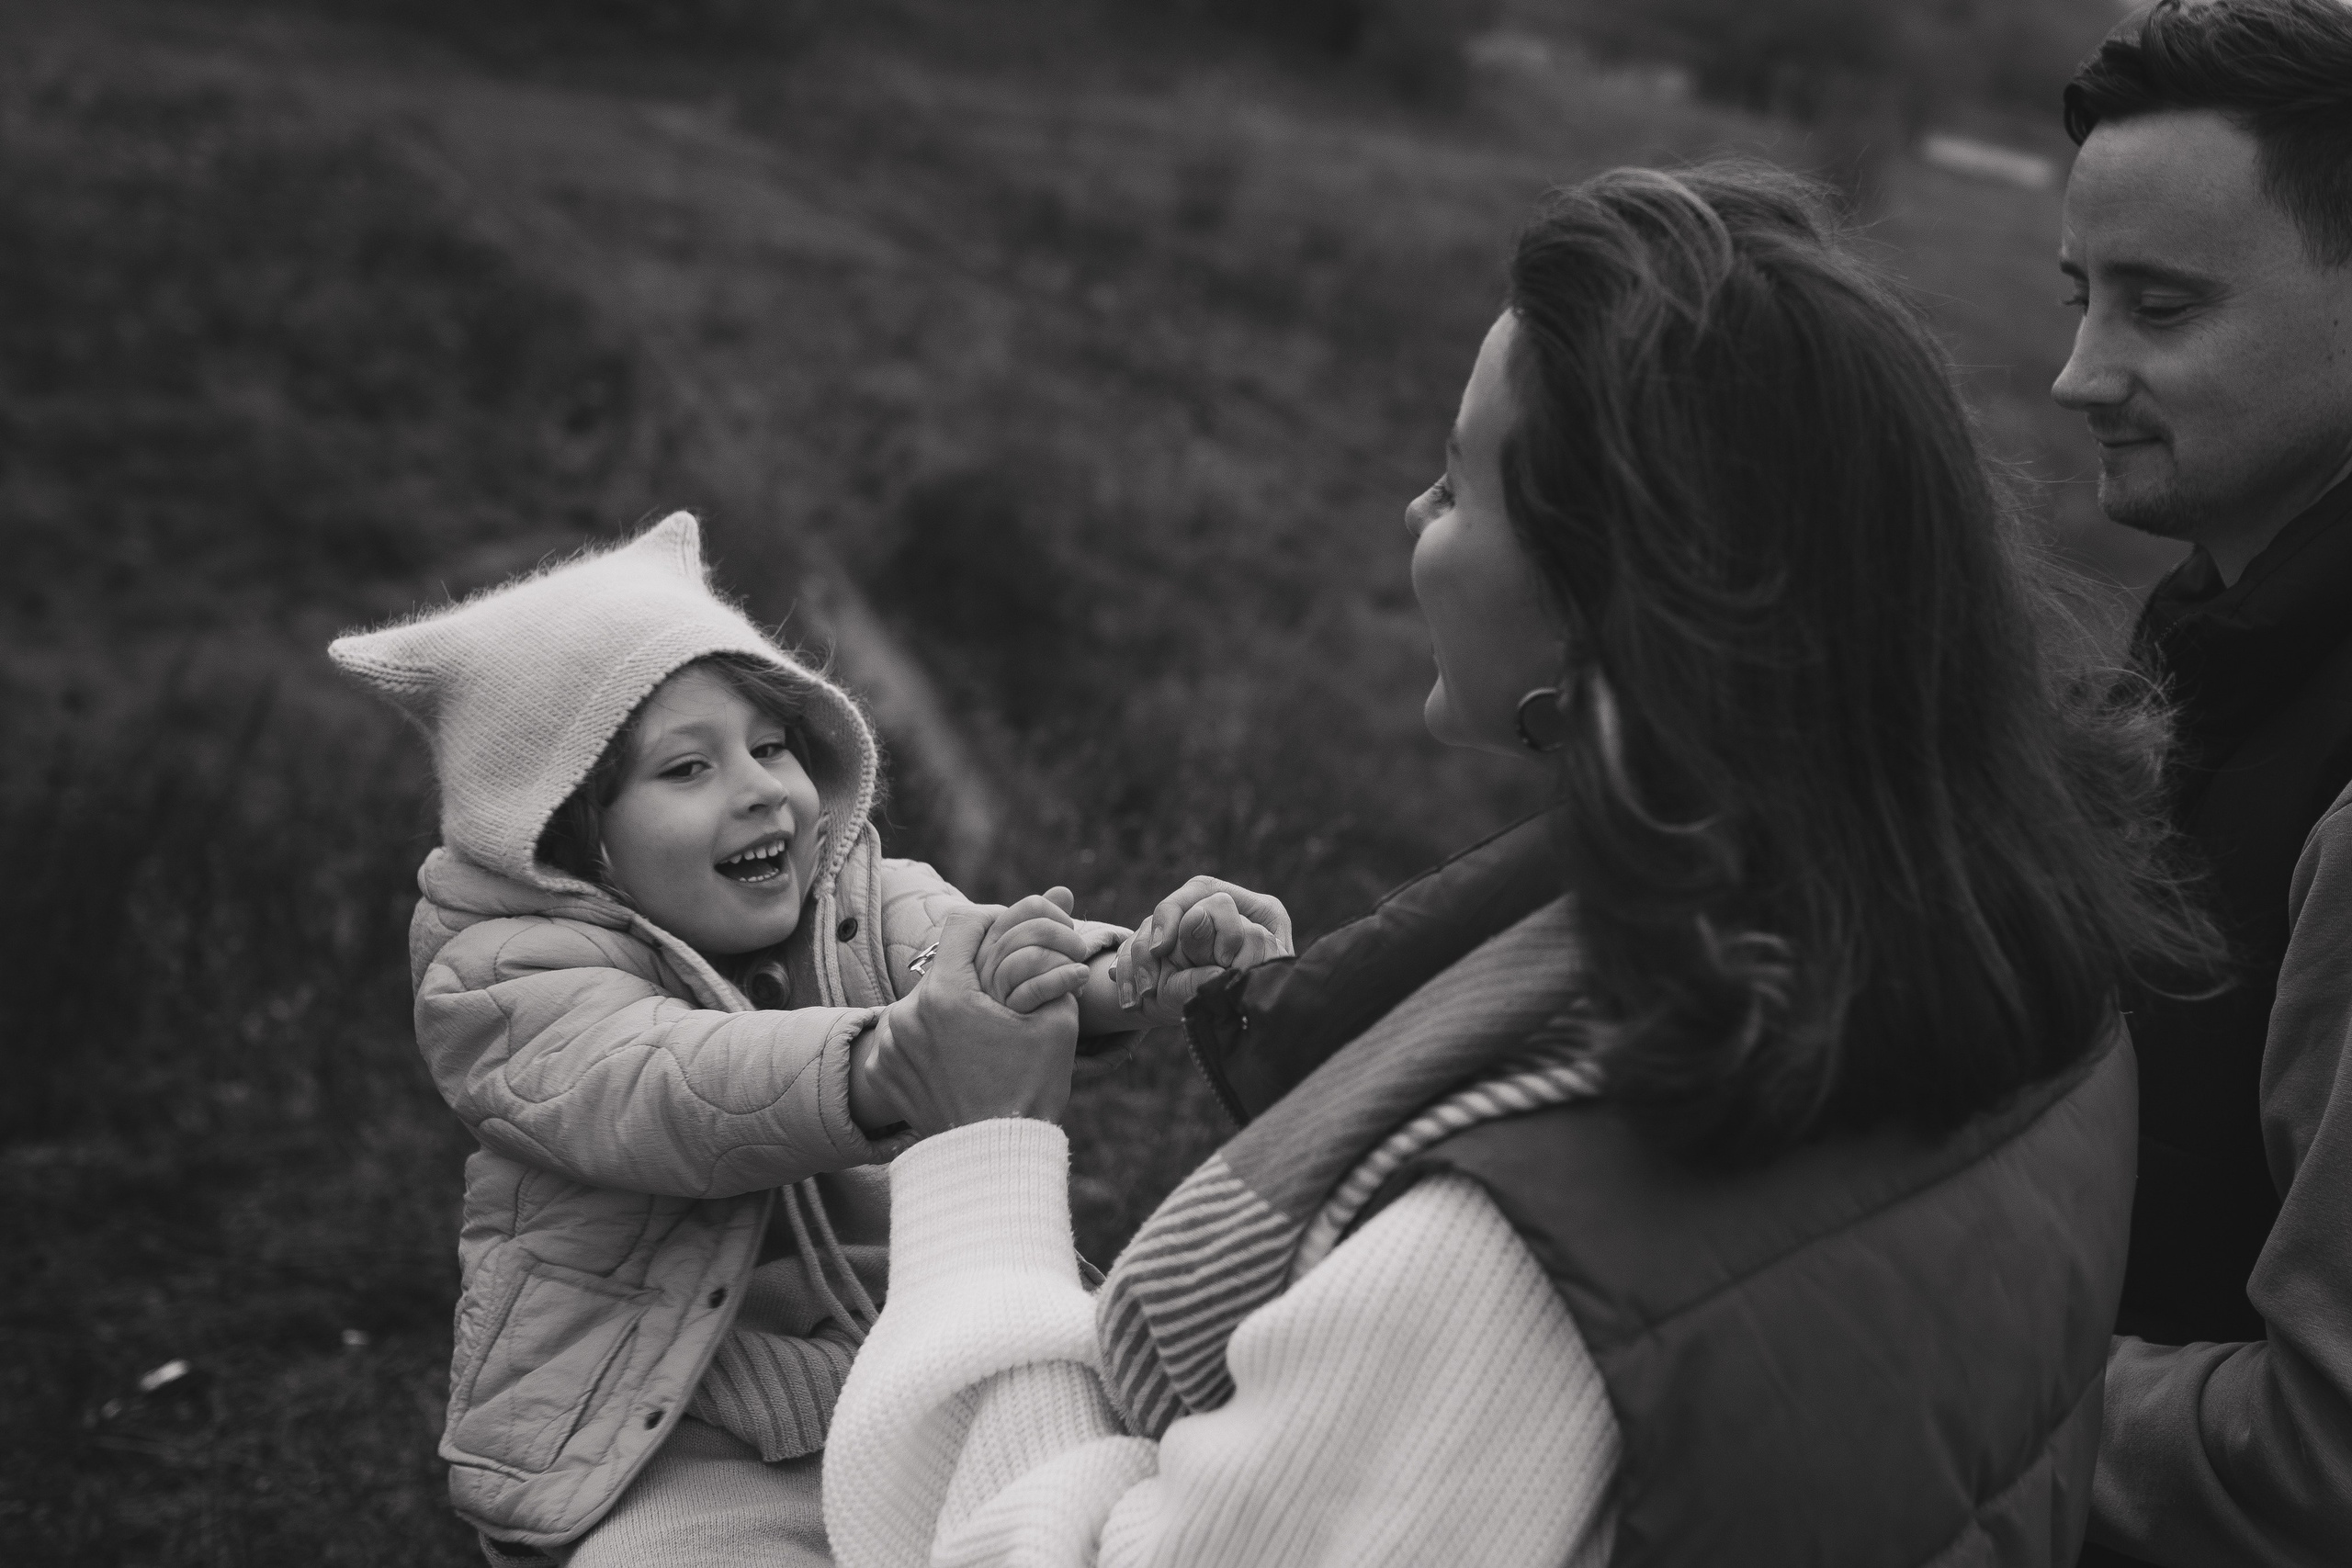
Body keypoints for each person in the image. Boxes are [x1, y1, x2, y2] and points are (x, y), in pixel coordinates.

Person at [820, 164, 2216, 1568]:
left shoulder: (1506, 1247)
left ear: (1614, 597)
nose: (1412, 520)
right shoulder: (2027, 977)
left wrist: (978, 1150)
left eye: (1452, 478)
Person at [327, 513, 1285, 1566]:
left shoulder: (859, 897)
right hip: (678, 1426)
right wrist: (887, 1063)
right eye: (687, 769)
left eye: (771, 744)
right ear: (567, 836)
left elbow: (951, 957)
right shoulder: (508, 977)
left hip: (913, 1354)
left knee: (1152, 1497)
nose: (759, 789)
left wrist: (1119, 973)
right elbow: (669, 1089)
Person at [2049, 4, 2352, 1563]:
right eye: (2082, 296)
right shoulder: (2213, 634)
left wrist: (1928, 1366)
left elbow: (2327, 1458)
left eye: (2158, 305)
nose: (2077, 372)